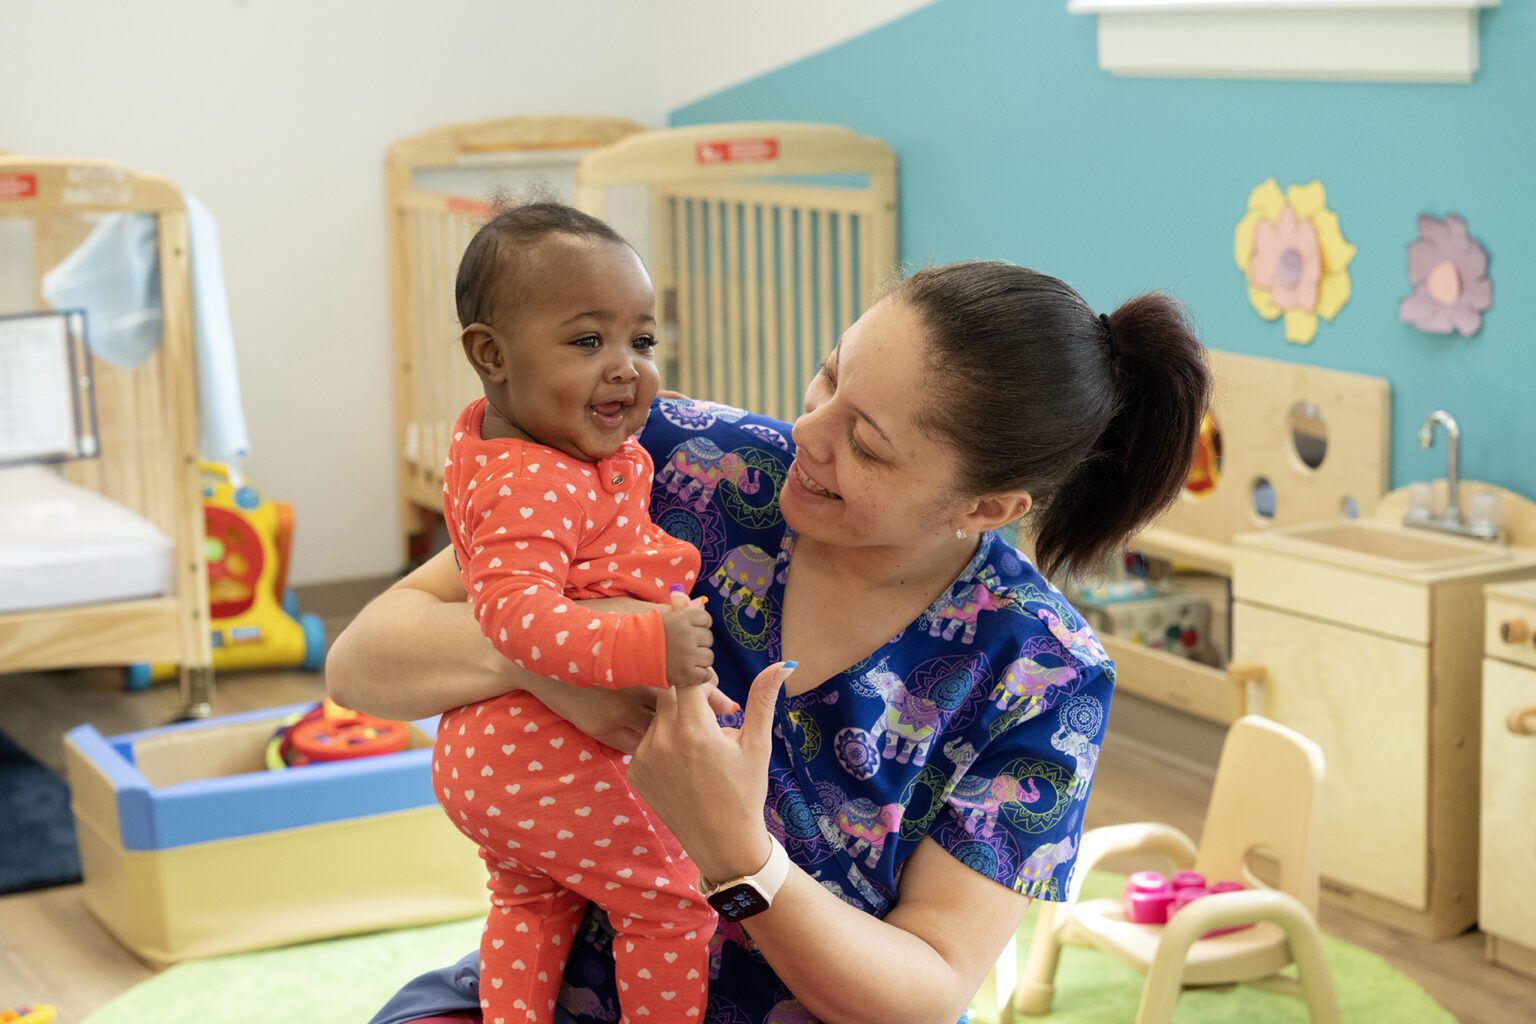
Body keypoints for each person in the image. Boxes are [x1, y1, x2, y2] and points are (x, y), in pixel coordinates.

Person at [330, 259, 1211, 1024]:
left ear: (987, 508)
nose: (807, 438)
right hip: (553, 986)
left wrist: (737, 858)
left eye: (864, 445)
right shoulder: (676, 460)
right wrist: (554, 660)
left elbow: (927, 987)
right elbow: (365, 659)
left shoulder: (1042, 673)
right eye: (828, 379)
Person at [432, 202, 723, 1024]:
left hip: (491, 753)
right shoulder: (536, 479)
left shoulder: (505, 448)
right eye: (589, 342)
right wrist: (650, 640)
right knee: (671, 903)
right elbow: (514, 619)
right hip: (540, 751)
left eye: (643, 341)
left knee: (532, 904)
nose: (627, 368)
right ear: (490, 354)